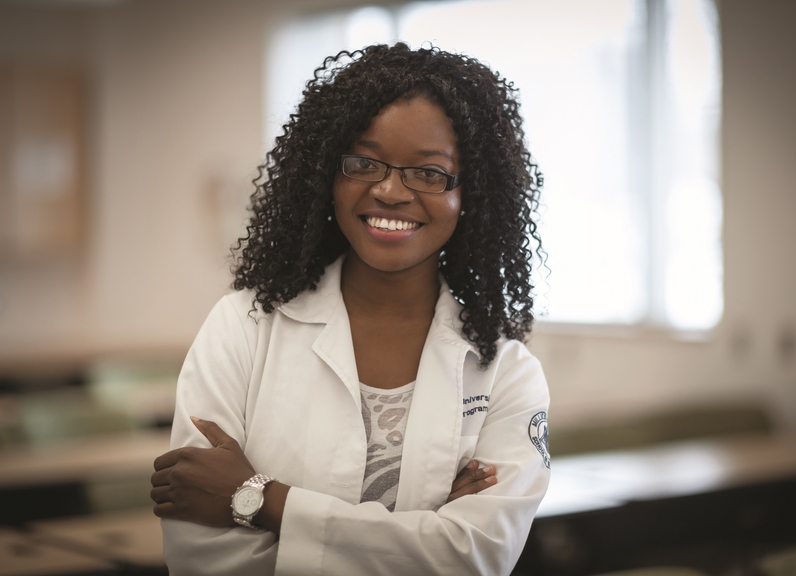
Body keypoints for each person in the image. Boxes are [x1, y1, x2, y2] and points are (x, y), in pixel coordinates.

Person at [150, 42, 550, 576]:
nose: (389, 190)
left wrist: (259, 501)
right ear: (326, 176)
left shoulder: (505, 371)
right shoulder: (242, 328)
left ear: (470, 194)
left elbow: (474, 556)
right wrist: (418, 533)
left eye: (428, 173)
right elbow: (203, 556)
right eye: (364, 162)